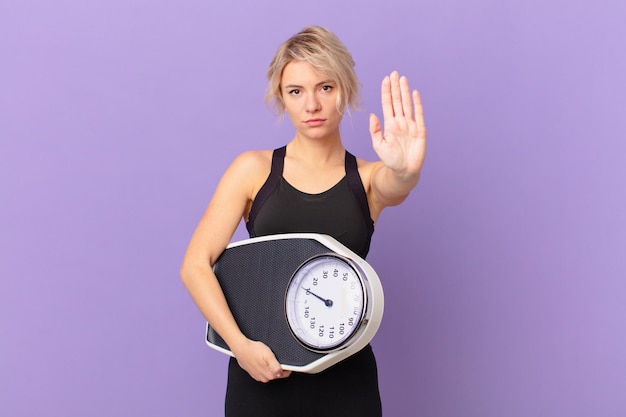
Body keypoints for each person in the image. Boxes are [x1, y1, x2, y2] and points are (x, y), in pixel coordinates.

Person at [180, 25, 426, 417]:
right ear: (282, 98)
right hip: (260, 375)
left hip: (346, 382)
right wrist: (240, 347)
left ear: (344, 89)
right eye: (296, 91)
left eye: (325, 87)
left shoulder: (367, 178)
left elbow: (396, 184)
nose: (311, 104)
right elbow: (195, 265)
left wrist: (406, 171)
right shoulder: (252, 170)